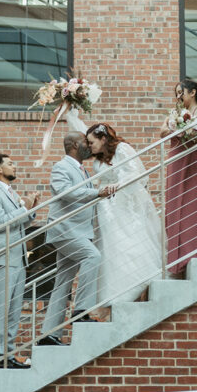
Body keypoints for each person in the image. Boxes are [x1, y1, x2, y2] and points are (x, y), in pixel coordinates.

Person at [66, 110, 163, 305]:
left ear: (103, 139)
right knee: (111, 249)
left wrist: (117, 187)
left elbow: (135, 173)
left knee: (129, 242)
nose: (89, 147)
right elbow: (82, 130)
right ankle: (117, 292)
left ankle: (139, 281)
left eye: (92, 143)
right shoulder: (99, 156)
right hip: (106, 208)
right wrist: (71, 112)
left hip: (124, 203)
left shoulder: (122, 149)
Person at [41, 132, 115, 342]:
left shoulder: (82, 170)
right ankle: (81, 312)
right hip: (65, 231)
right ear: (74, 144)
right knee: (93, 257)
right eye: (85, 141)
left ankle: (49, 334)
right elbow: (66, 193)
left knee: (63, 281)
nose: (88, 145)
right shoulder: (61, 167)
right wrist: (97, 193)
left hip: (78, 231)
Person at [0, 154, 40, 368]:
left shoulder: (11, 193)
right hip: (3, 257)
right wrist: (24, 208)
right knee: (2, 308)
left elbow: (18, 223)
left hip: (19, 257)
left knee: (14, 309)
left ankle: (10, 354)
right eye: (10, 163)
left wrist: (30, 210)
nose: (14, 166)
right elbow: (0, 223)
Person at [157, 80, 197, 277]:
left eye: (180, 92)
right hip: (176, 163)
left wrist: (183, 128)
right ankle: (178, 261)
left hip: (192, 163)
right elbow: (162, 131)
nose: (178, 97)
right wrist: (180, 126)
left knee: (192, 207)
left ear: (192, 92)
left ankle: (195, 254)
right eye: (176, 94)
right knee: (174, 210)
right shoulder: (175, 113)